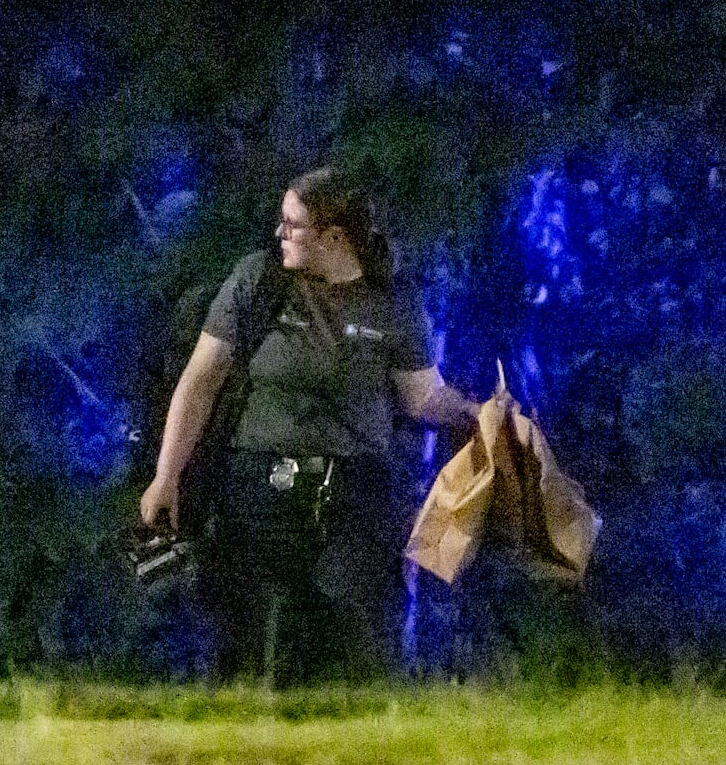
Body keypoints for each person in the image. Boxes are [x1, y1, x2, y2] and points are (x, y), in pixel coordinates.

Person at [140, 168, 479, 683]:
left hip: (355, 490)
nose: (280, 234)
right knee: (256, 635)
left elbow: (422, 397)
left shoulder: (390, 303)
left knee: (357, 631)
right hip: (261, 484)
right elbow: (200, 381)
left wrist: (481, 415)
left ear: (335, 238)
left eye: (293, 225)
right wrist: (167, 476)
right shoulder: (260, 282)